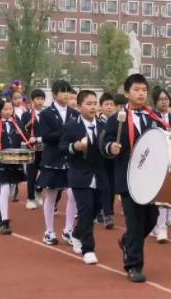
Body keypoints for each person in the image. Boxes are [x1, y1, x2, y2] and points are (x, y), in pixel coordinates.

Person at [101, 74, 163, 283]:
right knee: (135, 221)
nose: (141, 93)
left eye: (144, 90)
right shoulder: (116, 119)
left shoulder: (154, 118)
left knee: (152, 218)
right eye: (136, 90)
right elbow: (105, 143)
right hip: (127, 177)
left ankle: (127, 241)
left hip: (150, 179)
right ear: (127, 93)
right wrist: (111, 147)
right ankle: (134, 265)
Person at [59, 90, 107, 265]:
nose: (93, 107)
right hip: (80, 175)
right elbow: (62, 147)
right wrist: (75, 146)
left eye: (95, 103)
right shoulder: (71, 127)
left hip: (100, 176)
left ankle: (77, 232)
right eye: (89, 103)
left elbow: (107, 148)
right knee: (86, 210)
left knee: (95, 209)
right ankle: (89, 248)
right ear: (79, 106)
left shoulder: (103, 126)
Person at [37, 80, 79, 246]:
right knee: (52, 196)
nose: (66, 95)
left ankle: (68, 229)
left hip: (70, 159)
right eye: (62, 92)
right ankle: (49, 231)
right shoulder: (46, 114)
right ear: (54, 94)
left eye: (68, 92)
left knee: (73, 195)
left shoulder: (74, 114)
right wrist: (65, 130)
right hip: (53, 158)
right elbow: (45, 136)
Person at [151, 86, 171, 243]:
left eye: (166, 99)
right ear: (155, 102)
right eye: (161, 99)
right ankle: (158, 226)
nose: (164, 102)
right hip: (157, 160)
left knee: (167, 193)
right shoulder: (151, 118)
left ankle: (163, 224)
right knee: (157, 195)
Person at [0, 98, 28, 235]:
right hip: (1, 159)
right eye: (5, 109)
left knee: (12, 190)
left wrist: (28, 137)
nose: (8, 112)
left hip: (15, 159)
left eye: (10, 109)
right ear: (0, 110)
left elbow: (24, 136)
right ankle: (5, 221)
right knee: (5, 187)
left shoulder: (17, 122)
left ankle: (0, 210)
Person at [21, 89, 46, 210]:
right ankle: (30, 198)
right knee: (31, 174)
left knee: (47, 172)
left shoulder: (47, 114)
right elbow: (22, 130)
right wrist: (28, 137)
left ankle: (38, 189)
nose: (40, 101)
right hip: (31, 149)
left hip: (45, 149)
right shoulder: (26, 114)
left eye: (42, 99)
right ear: (32, 100)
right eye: (38, 99)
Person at [95, 92, 116, 228]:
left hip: (113, 160)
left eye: (111, 104)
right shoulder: (97, 123)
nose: (109, 107)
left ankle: (107, 210)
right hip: (99, 159)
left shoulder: (116, 123)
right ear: (100, 107)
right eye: (106, 104)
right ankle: (104, 213)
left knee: (112, 186)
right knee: (104, 186)